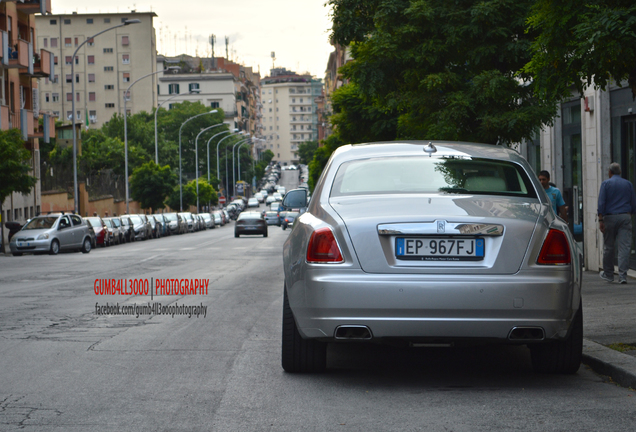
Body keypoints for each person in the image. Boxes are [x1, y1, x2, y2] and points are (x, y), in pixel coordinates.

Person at [598, 162, 636, 284]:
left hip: (610, 217)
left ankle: (609, 274)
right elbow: (633, 202)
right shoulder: (628, 184)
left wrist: (600, 219)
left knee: (609, 247)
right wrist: (630, 213)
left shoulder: (606, 184)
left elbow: (601, 202)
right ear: (619, 172)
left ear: (610, 172)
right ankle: (623, 276)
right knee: (624, 247)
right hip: (625, 216)